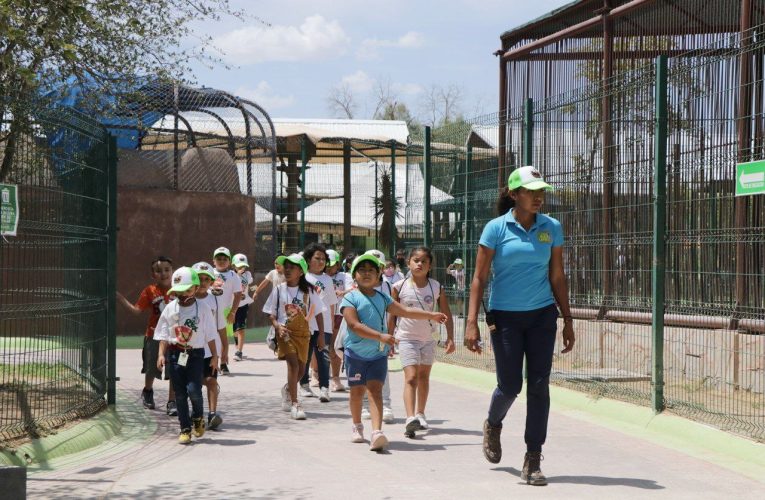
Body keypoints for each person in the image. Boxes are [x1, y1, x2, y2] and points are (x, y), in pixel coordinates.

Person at [464, 166, 575, 486]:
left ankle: (533, 458)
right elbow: (479, 278)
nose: (539, 197)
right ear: (515, 194)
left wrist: (567, 319)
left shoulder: (551, 227)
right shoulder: (495, 229)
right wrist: (471, 322)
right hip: (505, 317)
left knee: (539, 386)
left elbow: (557, 275)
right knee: (510, 385)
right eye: (531, 191)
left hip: (542, 315)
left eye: (541, 191)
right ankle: (493, 424)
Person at [340, 253, 447, 451]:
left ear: (379, 274)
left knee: (375, 390)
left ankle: (376, 432)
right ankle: (357, 426)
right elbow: (354, 325)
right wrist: (380, 336)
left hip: (378, 355)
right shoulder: (350, 298)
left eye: (371, 270)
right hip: (355, 354)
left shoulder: (383, 297)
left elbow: (405, 311)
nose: (366, 274)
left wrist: (430, 314)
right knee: (357, 392)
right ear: (354, 275)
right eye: (361, 270)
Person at [388, 247, 456, 438]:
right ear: (408, 262)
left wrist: (450, 337)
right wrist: (388, 338)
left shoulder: (436, 287)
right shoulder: (399, 287)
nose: (419, 264)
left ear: (430, 266)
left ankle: (420, 413)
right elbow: (392, 314)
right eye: (415, 260)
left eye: (423, 261)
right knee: (410, 377)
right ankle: (410, 418)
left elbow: (446, 313)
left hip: (428, 339)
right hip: (407, 338)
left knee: (424, 377)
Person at [155, 267, 220, 444]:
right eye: (179, 291)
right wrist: (161, 354)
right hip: (176, 355)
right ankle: (184, 428)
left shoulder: (204, 308)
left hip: (196, 355)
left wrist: (215, 356)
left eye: (188, 290)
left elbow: (211, 334)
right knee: (180, 394)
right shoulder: (170, 308)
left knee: (194, 390)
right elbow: (163, 334)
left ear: (196, 288)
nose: (184, 295)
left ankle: (197, 417)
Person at [263, 253, 326, 420]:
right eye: (286, 267)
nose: (288, 270)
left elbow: (318, 313)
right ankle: (295, 404)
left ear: (301, 271)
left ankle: (287, 389)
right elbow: (271, 312)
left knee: (301, 369)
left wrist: (320, 335)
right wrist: (277, 326)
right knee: (293, 365)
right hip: (285, 333)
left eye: (292, 267)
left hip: (304, 334)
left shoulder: (310, 291)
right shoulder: (278, 289)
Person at [116, 256, 177, 416]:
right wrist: (120, 298)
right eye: (158, 271)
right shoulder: (150, 291)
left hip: (175, 337)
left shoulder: (179, 289)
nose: (163, 273)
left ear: (172, 271)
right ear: (153, 275)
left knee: (174, 369)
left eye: (166, 270)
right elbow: (137, 310)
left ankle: (172, 401)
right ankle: (148, 392)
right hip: (154, 335)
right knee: (151, 367)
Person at [192, 261, 227, 430]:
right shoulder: (186, 299)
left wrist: (223, 351)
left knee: (211, 381)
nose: (203, 282)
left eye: (207, 279)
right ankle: (195, 414)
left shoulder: (215, 300)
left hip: (211, 350)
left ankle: (212, 414)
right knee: (195, 383)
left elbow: (220, 326)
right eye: (200, 278)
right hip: (192, 350)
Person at [300, 243, 336, 402]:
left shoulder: (328, 280)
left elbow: (331, 303)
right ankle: (304, 385)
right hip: (306, 325)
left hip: (324, 325)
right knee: (305, 357)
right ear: (308, 259)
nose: (321, 262)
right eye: (317, 258)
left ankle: (324, 388)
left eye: (324, 259)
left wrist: (332, 323)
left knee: (324, 358)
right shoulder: (302, 277)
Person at [211, 247, 240, 375]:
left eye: (224, 259)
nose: (221, 261)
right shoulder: (209, 273)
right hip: (210, 310)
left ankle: (223, 363)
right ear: (213, 260)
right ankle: (212, 362)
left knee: (224, 339)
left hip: (225, 311)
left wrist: (232, 312)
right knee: (210, 337)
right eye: (219, 258)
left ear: (229, 262)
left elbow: (238, 295)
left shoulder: (233, 275)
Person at [325, 249, 347, 392]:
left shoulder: (345, 276)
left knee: (334, 346)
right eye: (327, 264)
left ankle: (335, 378)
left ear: (338, 264)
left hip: (339, 315)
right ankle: (314, 374)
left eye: (332, 265)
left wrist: (343, 292)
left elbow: (354, 287)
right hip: (322, 314)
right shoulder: (319, 277)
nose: (328, 267)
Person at [232, 253, 253, 361]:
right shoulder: (231, 275)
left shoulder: (247, 274)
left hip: (243, 304)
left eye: (243, 266)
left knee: (241, 329)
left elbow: (249, 282)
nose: (241, 268)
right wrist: (237, 275)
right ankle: (237, 345)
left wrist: (240, 274)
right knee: (234, 330)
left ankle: (239, 351)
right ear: (233, 265)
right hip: (232, 306)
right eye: (239, 266)